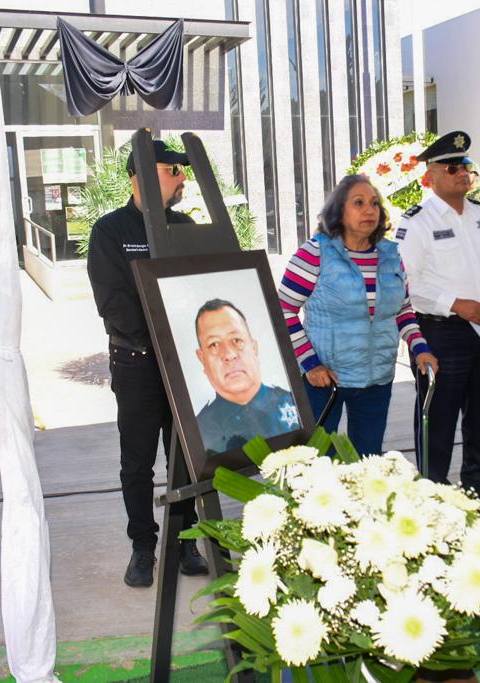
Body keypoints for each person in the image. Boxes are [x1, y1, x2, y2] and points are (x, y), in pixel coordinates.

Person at [87, 140, 208, 587]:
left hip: (185, 364)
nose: (180, 178)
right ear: (138, 175)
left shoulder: (184, 226)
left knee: (188, 457)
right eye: (170, 169)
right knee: (138, 462)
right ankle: (143, 547)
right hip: (138, 364)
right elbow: (114, 303)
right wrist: (163, 336)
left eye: (181, 171)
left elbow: (199, 291)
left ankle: (186, 543)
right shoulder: (111, 232)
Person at [396, 131, 480, 518]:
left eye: (465, 165)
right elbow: (407, 282)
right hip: (441, 332)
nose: (462, 173)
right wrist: (455, 304)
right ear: (430, 176)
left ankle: (479, 489)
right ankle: (432, 496)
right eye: (452, 167)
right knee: (438, 416)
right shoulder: (417, 221)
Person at [279, 175, 438, 455]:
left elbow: (401, 309)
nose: (369, 210)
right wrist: (311, 364)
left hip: (377, 378)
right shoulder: (315, 253)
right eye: (359, 203)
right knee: (317, 466)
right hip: (325, 380)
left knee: (368, 464)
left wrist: (420, 348)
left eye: (375, 204)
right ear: (339, 211)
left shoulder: (390, 255)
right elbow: (283, 311)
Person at [193, 299, 299, 454]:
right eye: (214, 344)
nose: (229, 354)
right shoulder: (198, 431)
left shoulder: (292, 404)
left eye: (237, 340)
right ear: (202, 359)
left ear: (254, 349)